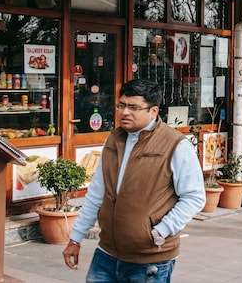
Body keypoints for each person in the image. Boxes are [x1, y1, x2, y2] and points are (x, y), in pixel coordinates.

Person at [63, 79, 205, 282]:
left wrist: (161, 231)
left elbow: (194, 197)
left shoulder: (175, 145)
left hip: (150, 260)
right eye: (121, 105)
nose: (124, 112)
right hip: (107, 253)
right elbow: (97, 192)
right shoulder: (114, 139)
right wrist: (75, 238)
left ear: (153, 111)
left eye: (133, 107)